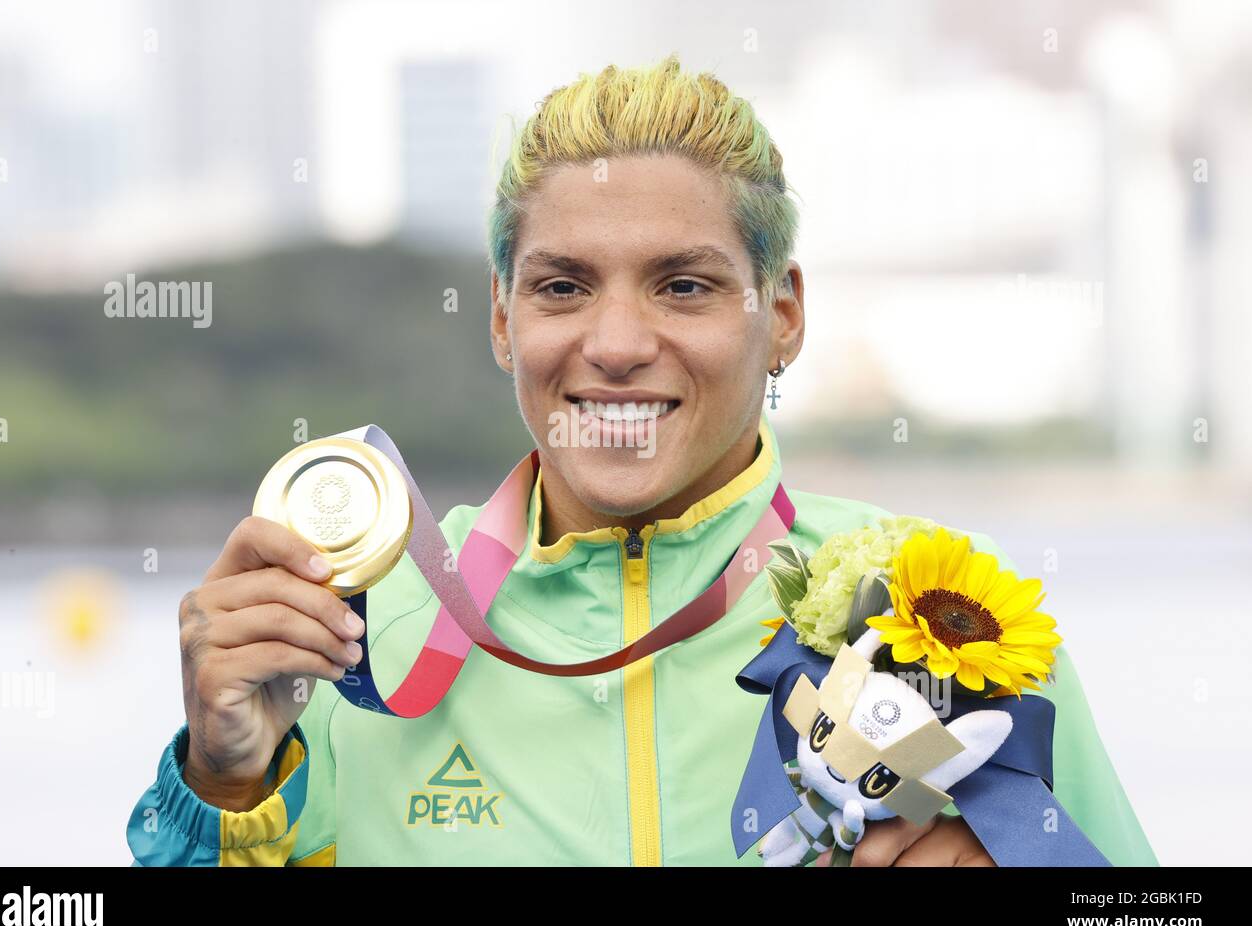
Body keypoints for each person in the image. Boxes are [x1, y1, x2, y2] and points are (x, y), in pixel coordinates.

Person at [127, 54, 1157, 866]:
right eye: (563, 287)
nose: (615, 343)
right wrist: (225, 780)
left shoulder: (942, 607)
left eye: (683, 285)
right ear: (501, 318)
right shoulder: (355, 633)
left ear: (782, 313)